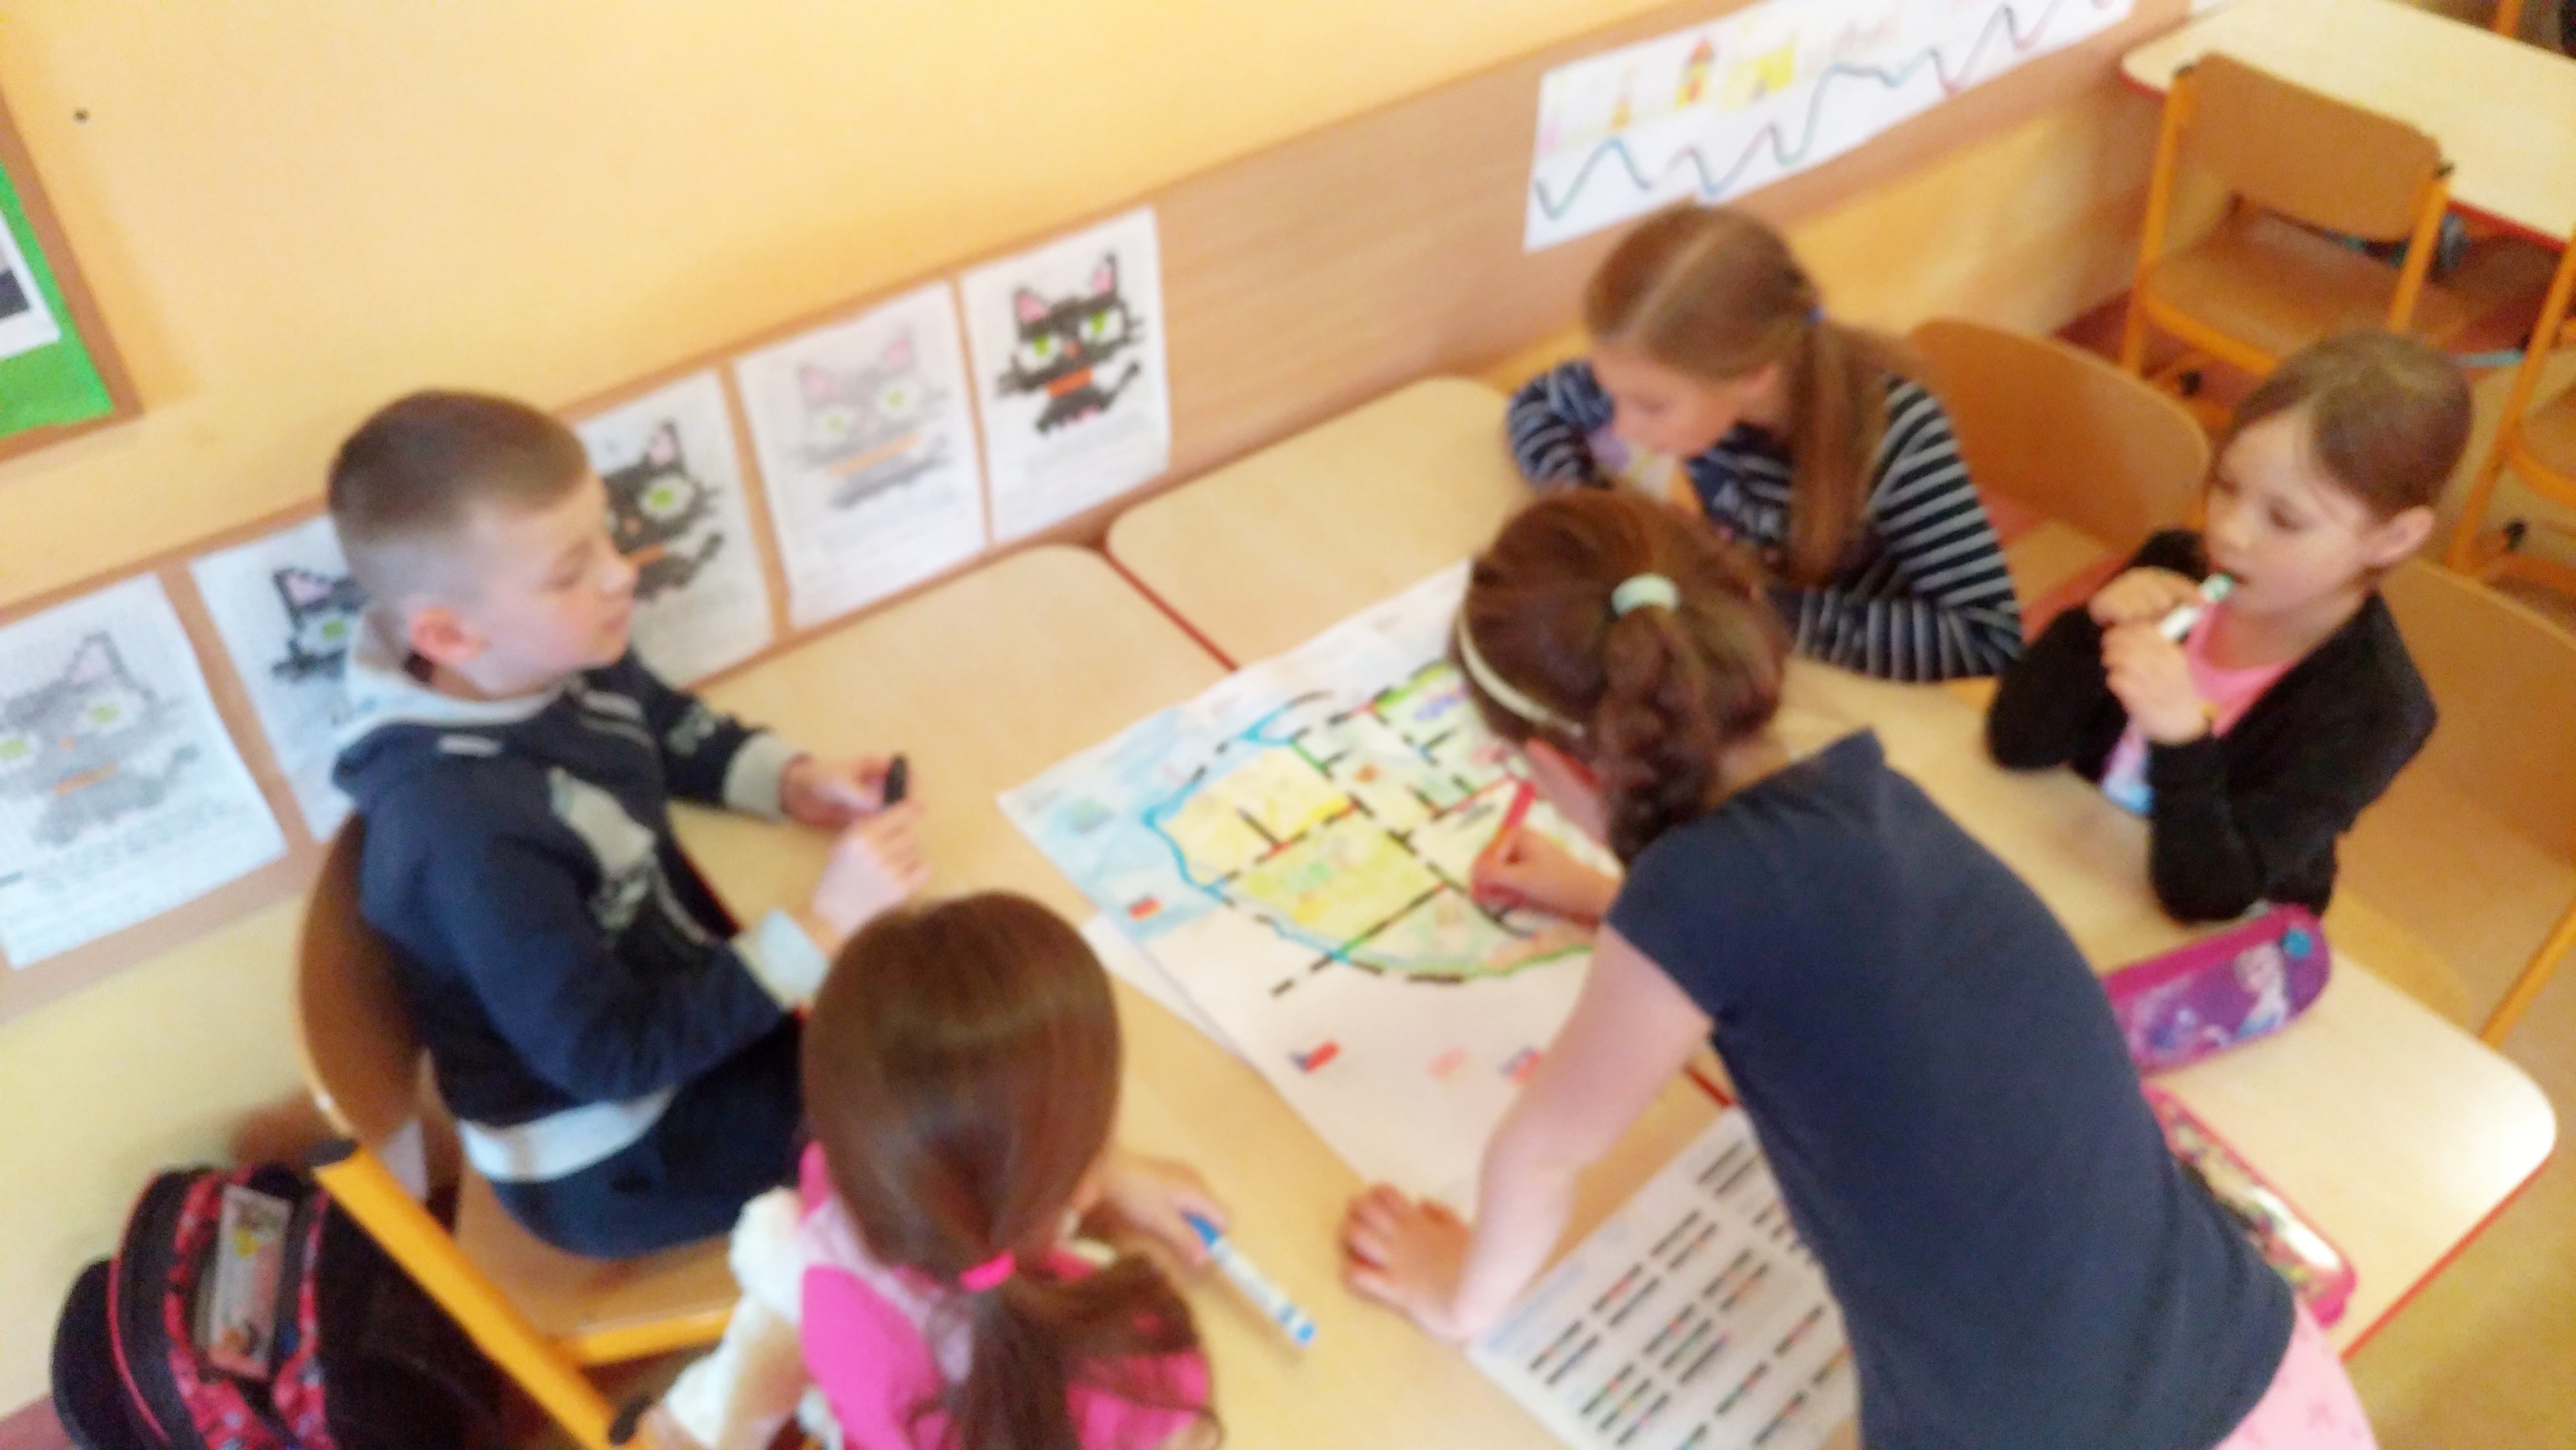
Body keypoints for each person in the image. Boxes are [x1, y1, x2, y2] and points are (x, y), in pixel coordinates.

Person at [1338, 490, 2373, 1448]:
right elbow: (1806, 943)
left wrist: (1455, 1297)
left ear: (1559, 766)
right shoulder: (1869, 795)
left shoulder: (1694, 903)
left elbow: (1542, 1155)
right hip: (2263, 1368)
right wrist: (1616, 906)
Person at [329, 390, 926, 1258]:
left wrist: (789, 782)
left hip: (669, 1017)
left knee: (906, 1019)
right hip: (616, 1149)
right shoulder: (461, 834)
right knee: (936, 1105)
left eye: (606, 535)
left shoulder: (549, 653)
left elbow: (652, 719)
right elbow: (611, 1056)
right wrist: (824, 924)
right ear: (449, 636)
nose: (621, 574)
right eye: (570, 571)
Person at [648, 893, 1220, 1450]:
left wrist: (1084, 1167)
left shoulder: (836, 1195)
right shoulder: (1138, 1372)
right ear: (1082, 1177)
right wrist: (1124, 1226)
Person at [1986, 331, 2469, 920]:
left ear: (2393, 537)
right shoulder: (2175, 563)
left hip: (2199, 925)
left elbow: (2210, 897)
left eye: (2285, 520)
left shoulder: (2377, 708)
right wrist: (2087, 633)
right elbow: (2016, 743)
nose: (2228, 532)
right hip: (2077, 861)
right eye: (2226, 486)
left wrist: (2180, 739)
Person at [1505, 205, 2020, 681]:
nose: (1622, 427)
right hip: (1755, 641)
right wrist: (1592, 505)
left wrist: (1756, 610)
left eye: (1651, 407)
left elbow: (1989, 635)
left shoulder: (1898, 438)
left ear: (1754, 376)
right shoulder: (1668, 366)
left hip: (1847, 665)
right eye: (1613, 394)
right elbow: (1537, 403)